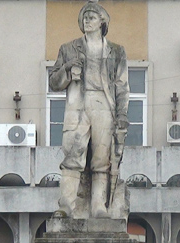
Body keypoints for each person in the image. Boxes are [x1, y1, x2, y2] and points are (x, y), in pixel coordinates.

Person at [49, 0, 129, 219]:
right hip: (78, 106)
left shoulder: (116, 51)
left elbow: (122, 86)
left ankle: (98, 206)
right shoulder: (68, 49)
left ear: (102, 21)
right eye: (85, 17)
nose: (87, 20)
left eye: (92, 17)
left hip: (104, 105)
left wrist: (122, 114)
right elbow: (54, 83)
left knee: (102, 159)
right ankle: (66, 206)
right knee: (72, 155)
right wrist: (67, 69)